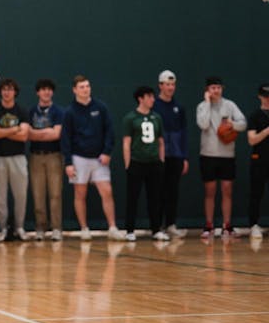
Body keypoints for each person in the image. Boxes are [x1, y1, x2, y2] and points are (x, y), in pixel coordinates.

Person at [61, 75, 120, 241]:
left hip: (99, 158)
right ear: (74, 90)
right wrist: (69, 163)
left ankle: (112, 227)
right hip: (79, 158)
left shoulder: (100, 107)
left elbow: (109, 131)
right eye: (81, 87)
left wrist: (107, 152)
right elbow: (65, 138)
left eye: (87, 86)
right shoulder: (70, 112)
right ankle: (84, 228)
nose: (85, 89)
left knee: (107, 191)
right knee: (80, 193)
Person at [196, 76, 246, 238]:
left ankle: (227, 225)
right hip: (208, 155)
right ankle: (209, 225)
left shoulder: (230, 105)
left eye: (218, 88)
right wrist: (208, 104)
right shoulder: (202, 106)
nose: (216, 91)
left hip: (227, 155)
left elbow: (243, 123)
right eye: (212, 88)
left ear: (222, 89)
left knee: (227, 189)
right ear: (207, 90)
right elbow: (203, 124)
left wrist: (233, 125)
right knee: (209, 191)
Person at [121, 86, 168, 242]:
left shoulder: (157, 117)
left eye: (153, 97)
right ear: (141, 99)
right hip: (137, 162)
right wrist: (128, 164)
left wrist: (161, 160)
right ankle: (129, 230)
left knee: (155, 198)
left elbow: (161, 141)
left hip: (154, 163)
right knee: (132, 198)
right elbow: (126, 142)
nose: (153, 99)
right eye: (149, 96)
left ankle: (156, 229)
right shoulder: (130, 118)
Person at [0, 78, 30, 240]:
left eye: (10, 89)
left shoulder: (22, 111)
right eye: (4, 89)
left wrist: (4, 131)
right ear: (0, 92)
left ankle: (19, 228)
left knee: (21, 195)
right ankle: (3, 228)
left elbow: (24, 136)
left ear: (15, 92)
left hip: (18, 158)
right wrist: (16, 128)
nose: (7, 92)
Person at [28, 78, 65, 241]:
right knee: (38, 194)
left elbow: (57, 133)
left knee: (55, 194)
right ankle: (40, 228)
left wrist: (37, 133)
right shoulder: (31, 111)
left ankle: (56, 228)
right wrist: (46, 132)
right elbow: (27, 134)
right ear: (38, 92)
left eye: (49, 89)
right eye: (43, 89)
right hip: (35, 156)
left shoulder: (58, 111)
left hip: (54, 156)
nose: (46, 92)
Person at [152, 70, 188, 238]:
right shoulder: (154, 106)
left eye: (173, 85)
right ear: (160, 86)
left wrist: (184, 157)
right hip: (159, 156)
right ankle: (157, 226)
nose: (170, 88)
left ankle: (171, 224)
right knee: (158, 191)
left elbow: (183, 133)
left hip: (176, 156)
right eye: (167, 84)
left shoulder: (178, 108)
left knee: (173, 191)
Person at [247, 83, 269, 240]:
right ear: (260, 96)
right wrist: (267, 131)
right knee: (256, 193)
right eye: (265, 96)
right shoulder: (255, 116)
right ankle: (254, 224)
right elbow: (252, 140)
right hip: (259, 159)